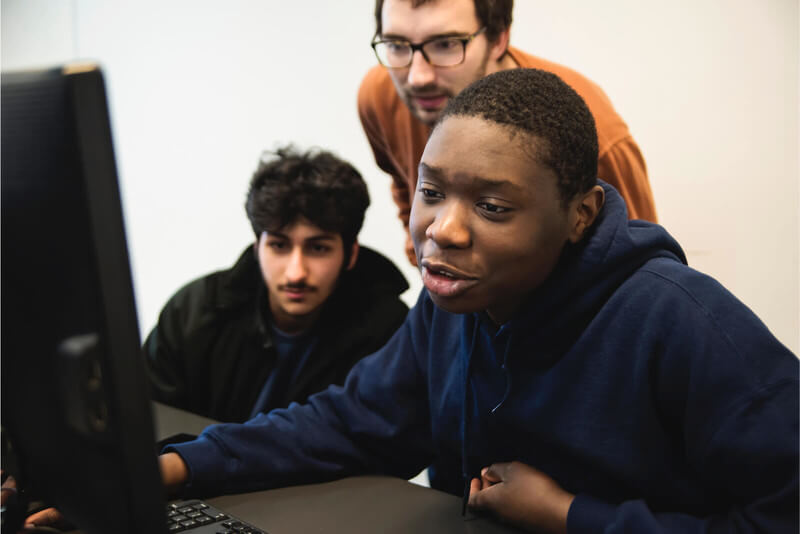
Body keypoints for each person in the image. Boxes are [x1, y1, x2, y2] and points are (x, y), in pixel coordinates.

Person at [358, 0, 658, 266]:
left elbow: (637, 269)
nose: (417, 77)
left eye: (446, 44)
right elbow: (403, 184)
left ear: (499, 38)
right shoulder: (381, 96)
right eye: (396, 45)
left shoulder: (596, 139)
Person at [142, 146, 410, 423]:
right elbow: (144, 420)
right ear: (257, 248)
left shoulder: (388, 333)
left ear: (351, 254)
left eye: (318, 248)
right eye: (279, 246)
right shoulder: (193, 312)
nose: (296, 273)